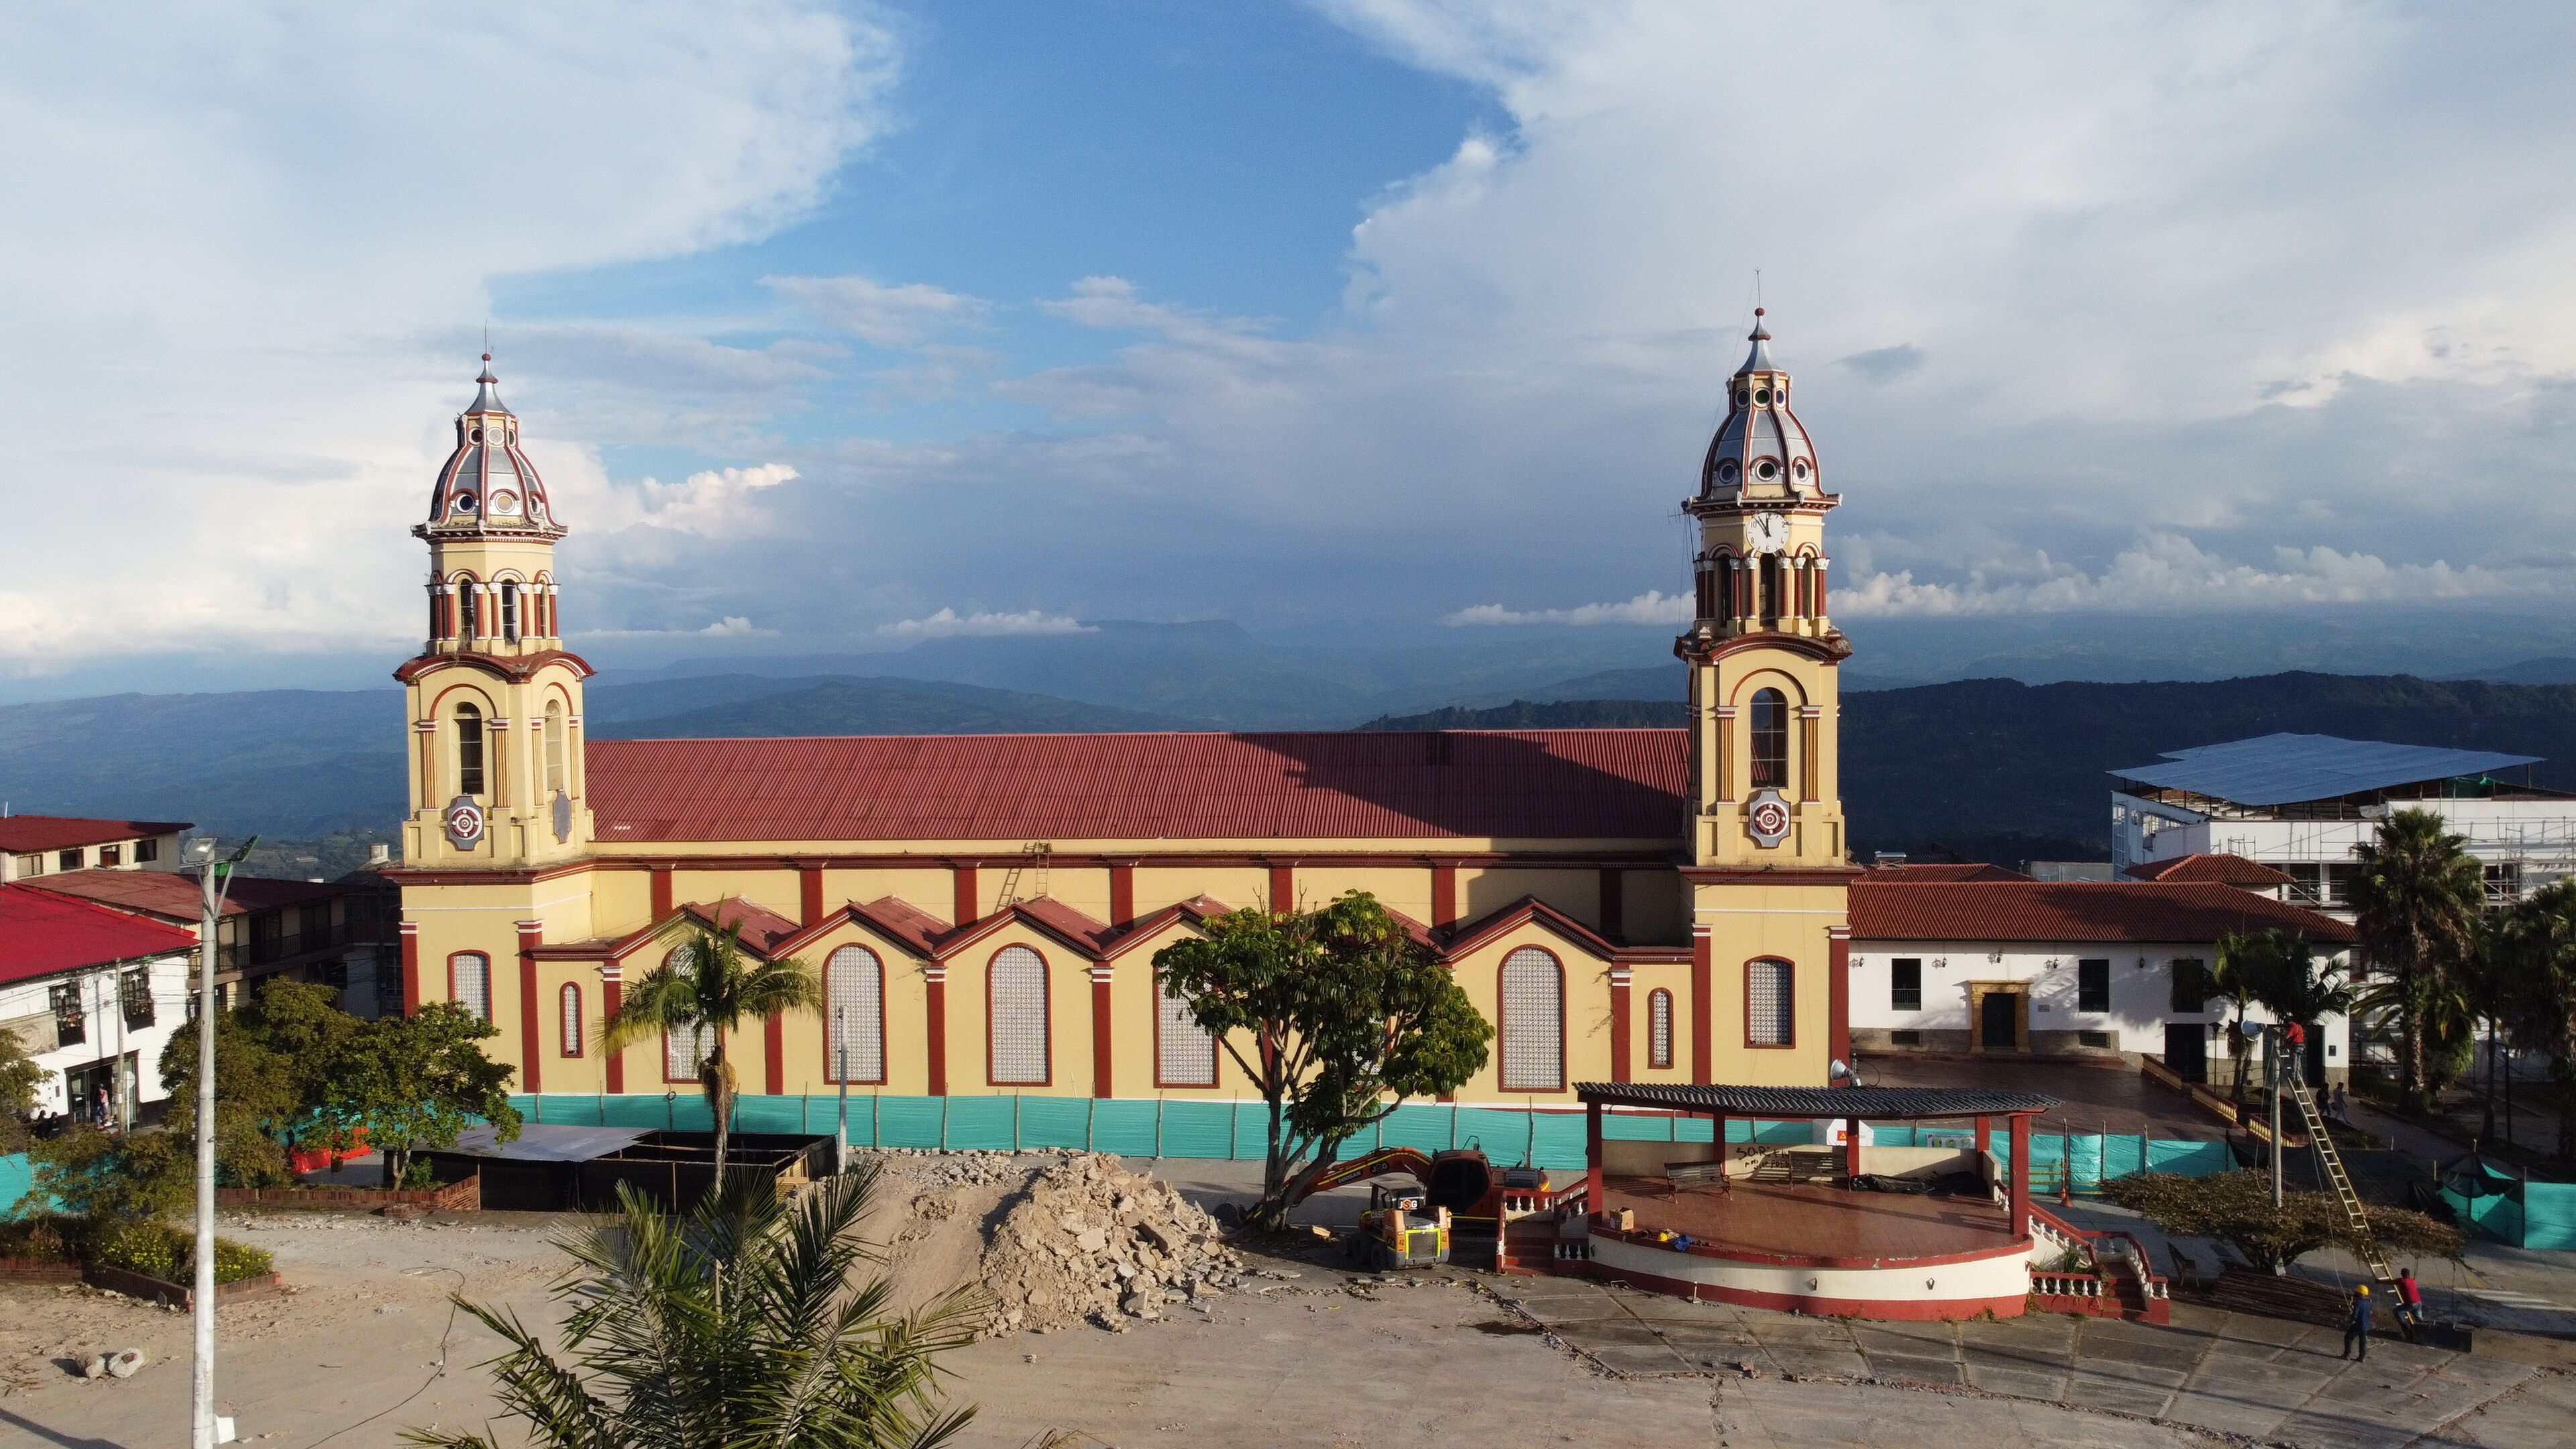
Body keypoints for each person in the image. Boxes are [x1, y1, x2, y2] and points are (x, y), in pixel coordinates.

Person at [2343, 1284, 2373, 1360]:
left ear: (2360, 1293)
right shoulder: (2369, 1303)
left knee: (2348, 1337)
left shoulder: (2359, 1303)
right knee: (2363, 1341)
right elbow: (2370, 1313)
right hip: (2366, 1325)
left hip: (2359, 1324)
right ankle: (2362, 1357)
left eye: (2357, 1292)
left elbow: (2355, 1315)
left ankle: (2347, 1354)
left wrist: (2349, 1321)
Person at [2394, 1269, 2425, 1336]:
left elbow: (2391, 1282)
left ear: (2402, 1274)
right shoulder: (2413, 1281)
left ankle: (2405, 1328)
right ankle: (2423, 1331)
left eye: (2401, 1273)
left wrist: (2379, 1281)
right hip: (2418, 1302)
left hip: (2411, 1303)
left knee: (2397, 1311)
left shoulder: (2402, 1281)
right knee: (2419, 1319)